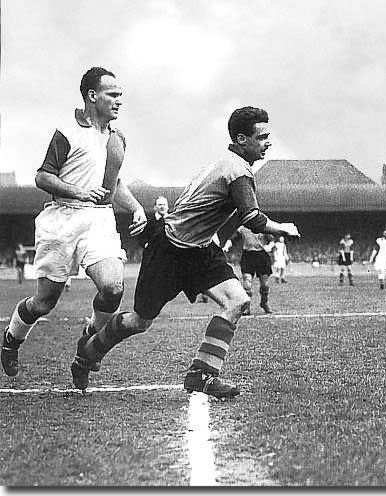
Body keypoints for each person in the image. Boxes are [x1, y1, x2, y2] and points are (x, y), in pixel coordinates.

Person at [70, 106, 299, 399]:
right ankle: (86, 354)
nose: (268, 142)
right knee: (138, 321)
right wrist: (284, 228)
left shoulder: (224, 163)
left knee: (238, 300)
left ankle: (200, 375)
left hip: (200, 250)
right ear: (242, 139)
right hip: (170, 250)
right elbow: (252, 218)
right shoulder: (237, 170)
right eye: (262, 136)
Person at [1, 67, 147, 378]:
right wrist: (78, 191)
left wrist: (135, 208)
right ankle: (12, 340)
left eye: (121, 95)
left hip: (98, 219)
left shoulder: (118, 138)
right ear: (93, 96)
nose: (119, 101)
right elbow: (42, 176)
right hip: (62, 218)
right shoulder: (67, 132)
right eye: (113, 95)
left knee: (113, 287)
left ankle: (89, 340)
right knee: (44, 302)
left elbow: (114, 183)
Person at [236, 225, 274, 315]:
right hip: (248, 256)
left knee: (264, 284)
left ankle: (264, 303)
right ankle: (246, 307)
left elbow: (272, 240)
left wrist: (269, 246)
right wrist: (227, 244)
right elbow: (233, 238)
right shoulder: (241, 228)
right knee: (247, 282)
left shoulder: (262, 226)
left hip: (262, 255)